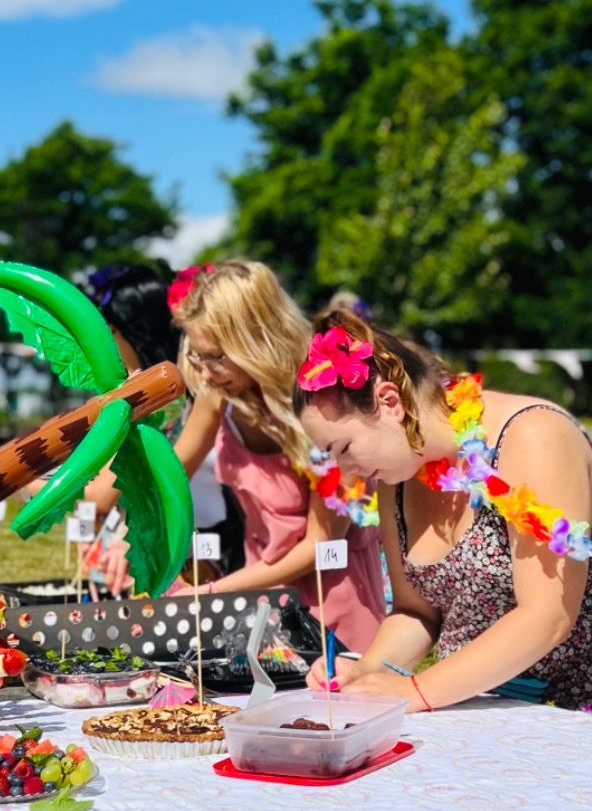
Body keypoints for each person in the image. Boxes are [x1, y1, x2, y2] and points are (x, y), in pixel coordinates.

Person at [294, 312, 592, 722]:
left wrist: (418, 689)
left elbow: (547, 616)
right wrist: (367, 670)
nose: (344, 472)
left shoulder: (532, 435)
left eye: (344, 448)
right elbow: (417, 612)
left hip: (589, 711)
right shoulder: (398, 471)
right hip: (481, 708)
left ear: (389, 402)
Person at [168, 261, 385, 649]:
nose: (205, 373)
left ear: (257, 341)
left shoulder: (324, 402)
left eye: (217, 357)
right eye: (198, 357)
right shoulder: (218, 394)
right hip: (261, 599)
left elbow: (321, 545)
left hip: (331, 602)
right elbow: (166, 478)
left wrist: (212, 592)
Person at [81, 261, 242, 588]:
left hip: (202, 562)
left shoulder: (199, 398)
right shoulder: (149, 397)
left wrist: (32, 485)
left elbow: (101, 496)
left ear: (126, 329)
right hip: (143, 557)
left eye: (105, 330)